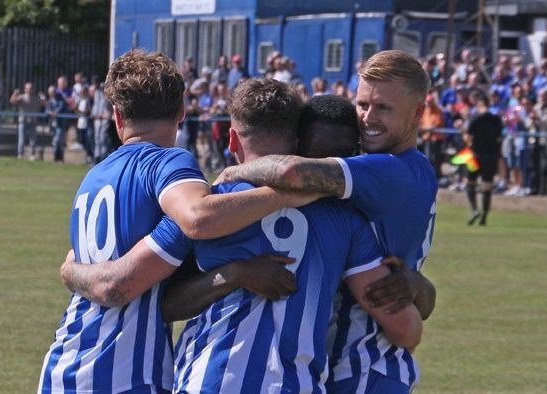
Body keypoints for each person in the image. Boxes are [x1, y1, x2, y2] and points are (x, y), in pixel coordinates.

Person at [37, 50, 317, 393]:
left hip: (63, 363)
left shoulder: (94, 177)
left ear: (117, 116)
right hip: (122, 371)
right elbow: (197, 218)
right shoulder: (167, 162)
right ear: (182, 112)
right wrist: (288, 194)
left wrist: (70, 271)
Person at [216, 50, 438, 393]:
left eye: (384, 108)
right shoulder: (381, 165)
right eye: (362, 104)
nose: (367, 117)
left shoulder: (395, 170)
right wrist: (423, 289)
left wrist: (232, 173)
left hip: (364, 364)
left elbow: (293, 172)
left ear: (418, 113)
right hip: (339, 365)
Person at [464, 95, 503, 225]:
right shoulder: (496, 119)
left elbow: (469, 138)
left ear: (479, 105)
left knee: (470, 182)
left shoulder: (474, 118)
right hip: (490, 155)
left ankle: (474, 209)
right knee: (487, 185)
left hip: (475, 154)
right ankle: (484, 217)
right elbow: (499, 138)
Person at [10, 82, 46, 160]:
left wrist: (43, 97)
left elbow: (44, 104)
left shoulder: (36, 98)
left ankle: (32, 155)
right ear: (25, 89)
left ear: (33, 89)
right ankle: (20, 155)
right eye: (27, 88)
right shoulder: (21, 97)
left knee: (33, 140)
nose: (29, 90)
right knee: (21, 140)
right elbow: (12, 101)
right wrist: (14, 94)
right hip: (23, 121)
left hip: (33, 121)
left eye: (31, 88)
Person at [46, 85, 72, 162]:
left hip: (60, 124)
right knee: (55, 141)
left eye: (53, 92)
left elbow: (61, 107)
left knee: (58, 140)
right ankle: (56, 157)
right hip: (52, 124)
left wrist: (55, 112)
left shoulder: (60, 99)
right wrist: (50, 112)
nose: (51, 94)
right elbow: (46, 110)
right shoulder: (50, 100)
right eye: (50, 92)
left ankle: (59, 157)